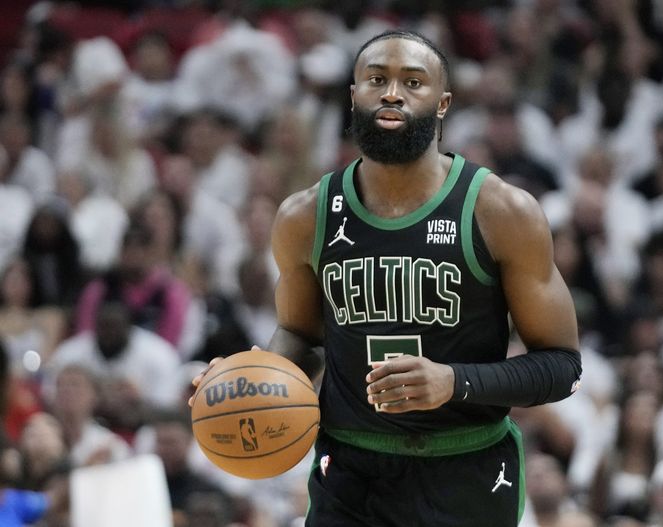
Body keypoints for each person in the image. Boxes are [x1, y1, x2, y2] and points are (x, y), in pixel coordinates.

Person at [190, 29, 582, 527]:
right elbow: (301, 337)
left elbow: (563, 368)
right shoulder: (305, 216)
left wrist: (453, 382)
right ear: (355, 96)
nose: (392, 92)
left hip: (464, 468)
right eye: (377, 79)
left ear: (442, 104)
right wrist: (249, 375)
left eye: (412, 82)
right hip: (351, 470)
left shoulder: (501, 211)